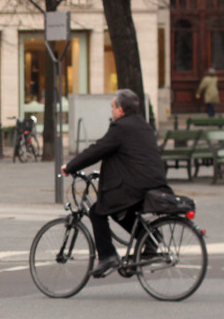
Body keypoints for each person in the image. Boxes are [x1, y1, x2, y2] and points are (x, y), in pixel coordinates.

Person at [62, 88, 169, 278]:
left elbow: (98, 150)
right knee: (121, 212)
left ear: (120, 109)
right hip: (153, 183)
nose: (111, 111)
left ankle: (108, 256)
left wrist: (70, 166)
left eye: (112, 107)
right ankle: (151, 240)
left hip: (133, 185)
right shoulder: (144, 125)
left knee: (97, 212)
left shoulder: (121, 127)